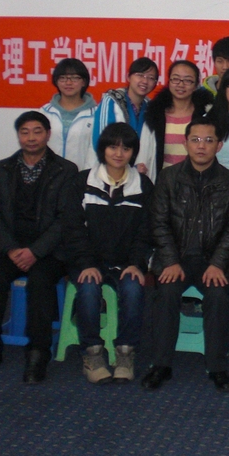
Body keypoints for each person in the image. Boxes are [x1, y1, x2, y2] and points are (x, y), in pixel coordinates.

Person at [0, 112, 78, 383]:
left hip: (49, 251)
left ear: (48, 135)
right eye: (25, 132)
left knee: (40, 283)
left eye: (37, 131)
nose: (31, 137)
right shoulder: (3, 168)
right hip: (10, 248)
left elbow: (66, 219)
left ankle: (38, 353)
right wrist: (11, 248)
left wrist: (35, 251)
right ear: (19, 135)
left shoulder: (66, 170)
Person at [142, 117, 229, 392]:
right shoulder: (168, 178)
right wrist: (171, 260)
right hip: (174, 257)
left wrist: (218, 263)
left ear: (219, 146)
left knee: (220, 296)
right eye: (196, 140)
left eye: (209, 140)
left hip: (213, 261)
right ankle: (161, 364)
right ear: (185, 143)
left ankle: (217, 366)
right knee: (164, 293)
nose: (202, 146)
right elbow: (158, 223)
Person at [63, 123, 154, 384]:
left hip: (126, 262)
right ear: (102, 149)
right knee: (89, 289)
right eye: (113, 146)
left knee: (134, 288)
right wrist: (85, 263)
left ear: (133, 153)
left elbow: (145, 232)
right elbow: (72, 228)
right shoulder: (82, 181)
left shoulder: (143, 185)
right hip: (88, 260)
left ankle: (126, 352)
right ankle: (92, 353)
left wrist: (137, 263)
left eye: (126, 148)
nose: (118, 153)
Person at [140, 59, 214, 182]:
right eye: (176, 79)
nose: (181, 84)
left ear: (196, 85)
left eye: (188, 80)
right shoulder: (155, 115)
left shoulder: (206, 115)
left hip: (197, 184)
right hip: (164, 185)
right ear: (169, 82)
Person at [92, 56, 159, 176]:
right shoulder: (111, 101)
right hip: (108, 175)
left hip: (139, 177)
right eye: (140, 75)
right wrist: (130, 168)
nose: (145, 81)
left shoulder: (151, 108)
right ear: (128, 77)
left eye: (151, 78)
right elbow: (101, 141)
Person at [40, 57, 98, 171]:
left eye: (75, 78)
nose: (68, 83)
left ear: (84, 82)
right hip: (49, 180)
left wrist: (86, 179)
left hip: (81, 178)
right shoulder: (45, 112)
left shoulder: (96, 114)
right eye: (63, 78)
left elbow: (95, 151)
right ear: (56, 81)